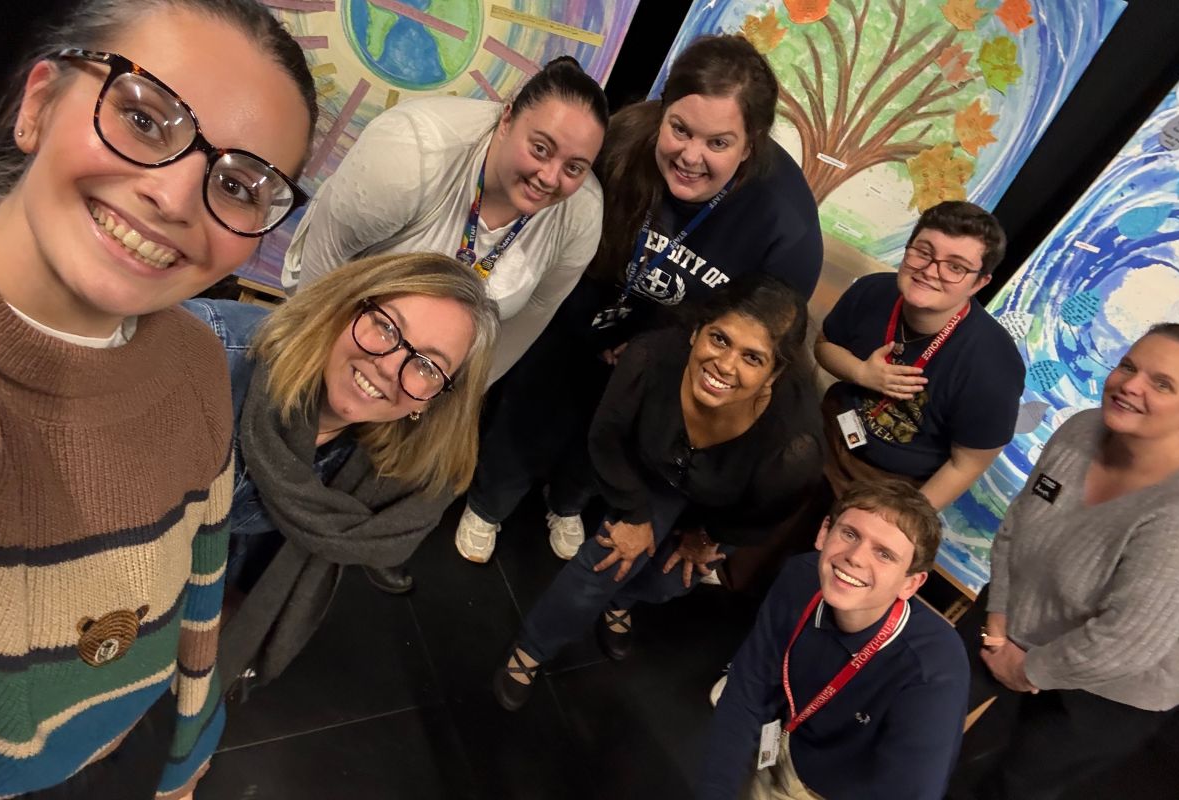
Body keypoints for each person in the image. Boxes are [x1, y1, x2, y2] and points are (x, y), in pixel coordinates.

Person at [0, 0, 315, 797]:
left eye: (239, 183)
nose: (175, 196)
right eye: (144, 118)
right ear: (38, 103)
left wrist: (188, 739)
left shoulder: (199, 361)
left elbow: (200, 581)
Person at [457, 34, 823, 564]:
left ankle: (567, 503)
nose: (690, 156)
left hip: (668, 351)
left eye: (718, 143)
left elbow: (762, 330)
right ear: (663, 109)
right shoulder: (623, 138)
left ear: (752, 142)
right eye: (679, 129)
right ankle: (489, 503)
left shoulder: (787, 230)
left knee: (618, 429)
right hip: (576, 315)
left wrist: (662, 347)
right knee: (536, 406)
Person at [491, 275, 824, 711]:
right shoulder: (651, 357)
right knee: (608, 561)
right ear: (696, 331)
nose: (725, 365)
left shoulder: (793, 447)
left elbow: (763, 514)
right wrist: (634, 510)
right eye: (719, 339)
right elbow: (606, 436)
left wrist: (705, 537)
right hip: (653, 476)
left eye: (752, 358)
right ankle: (530, 651)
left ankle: (623, 603)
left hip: (722, 505)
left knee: (671, 581)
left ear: (774, 373)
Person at [184, 253, 498, 687]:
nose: (389, 366)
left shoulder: (375, 473)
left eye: (426, 365)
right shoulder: (203, 353)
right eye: (386, 327)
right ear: (347, 306)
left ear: (434, 399)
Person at [961, 323, 1179, 800]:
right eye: (1129, 366)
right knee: (931, 734)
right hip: (1016, 624)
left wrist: (1027, 671)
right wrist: (999, 621)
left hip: (1113, 685)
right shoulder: (1082, 427)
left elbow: (1127, 643)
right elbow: (1018, 522)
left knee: (1013, 784)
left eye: (1161, 383)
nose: (1130, 385)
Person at [282, 56, 608, 382]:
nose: (550, 178)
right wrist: (310, 372)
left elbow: (524, 325)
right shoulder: (413, 150)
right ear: (507, 118)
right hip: (336, 329)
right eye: (540, 149)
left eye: (574, 168)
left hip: (421, 378)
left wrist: (445, 404)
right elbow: (325, 263)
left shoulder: (580, 216)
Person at [697, 480, 969, 800]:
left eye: (884, 553)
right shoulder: (801, 575)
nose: (855, 557)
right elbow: (748, 688)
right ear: (824, 533)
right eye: (850, 534)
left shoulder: (932, 671)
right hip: (785, 735)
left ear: (910, 583)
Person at [814, 200, 1024, 510]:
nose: (929, 271)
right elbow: (823, 346)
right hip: (828, 433)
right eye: (924, 252)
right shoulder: (872, 291)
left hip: (889, 483)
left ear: (979, 282)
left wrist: (902, 522)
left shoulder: (994, 366)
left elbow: (967, 464)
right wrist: (861, 373)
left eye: (955, 266)